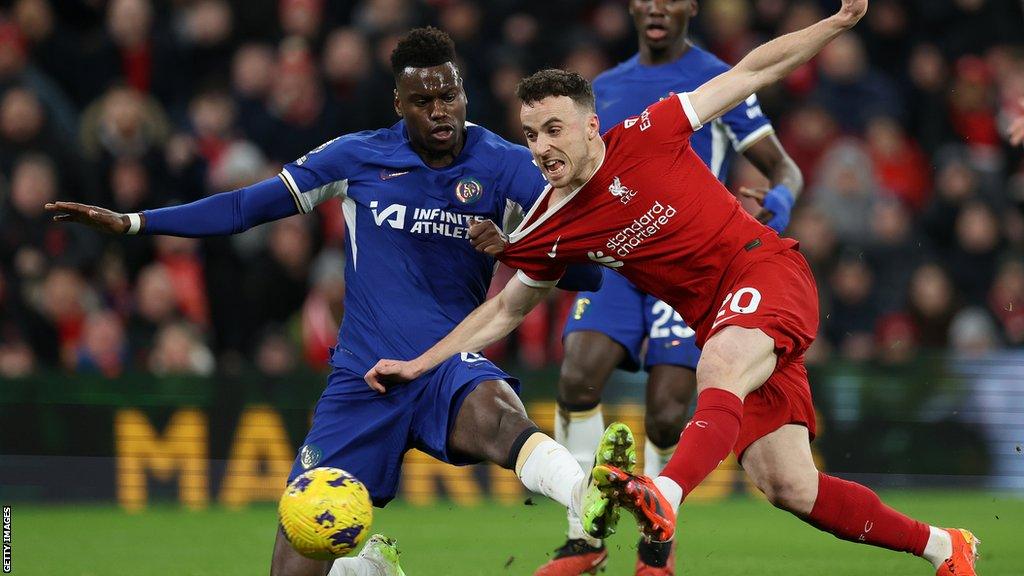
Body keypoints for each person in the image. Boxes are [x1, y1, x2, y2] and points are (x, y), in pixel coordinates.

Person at [365, 3, 981, 575]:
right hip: (723, 319)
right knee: (789, 485)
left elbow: (752, 69)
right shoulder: (549, 224)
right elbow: (502, 310)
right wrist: (420, 364)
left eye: (554, 129)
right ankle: (945, 548)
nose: (543, 148)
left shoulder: (651, 130)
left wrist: (838, 23)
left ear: (589, 124)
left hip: (765, 271)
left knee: (717, 364)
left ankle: (662, 498)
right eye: (531, 136)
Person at [47, 27, 620, 576]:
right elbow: (247, 207)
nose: (440, 110)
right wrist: (133, 222)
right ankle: (363, 566)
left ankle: (591, 495)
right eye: (424, 101)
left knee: (498, 417)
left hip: (447, 359)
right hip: (363, 377)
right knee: (294, 561)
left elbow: (587, 274)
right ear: (399, 104)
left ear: (463, 91)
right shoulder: (357, 157)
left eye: (450, 95)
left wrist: (517, 247)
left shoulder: (506, 165)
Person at [547, 0, 802, 572]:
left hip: (688, 268)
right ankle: (583, 538)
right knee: (577, 373)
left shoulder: (714, 77)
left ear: (691, 6)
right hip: (618, 261)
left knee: (666, 413)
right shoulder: (602, 88)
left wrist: (779, 202)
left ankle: (654, 541)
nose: (656, 6)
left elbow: (784, 167)